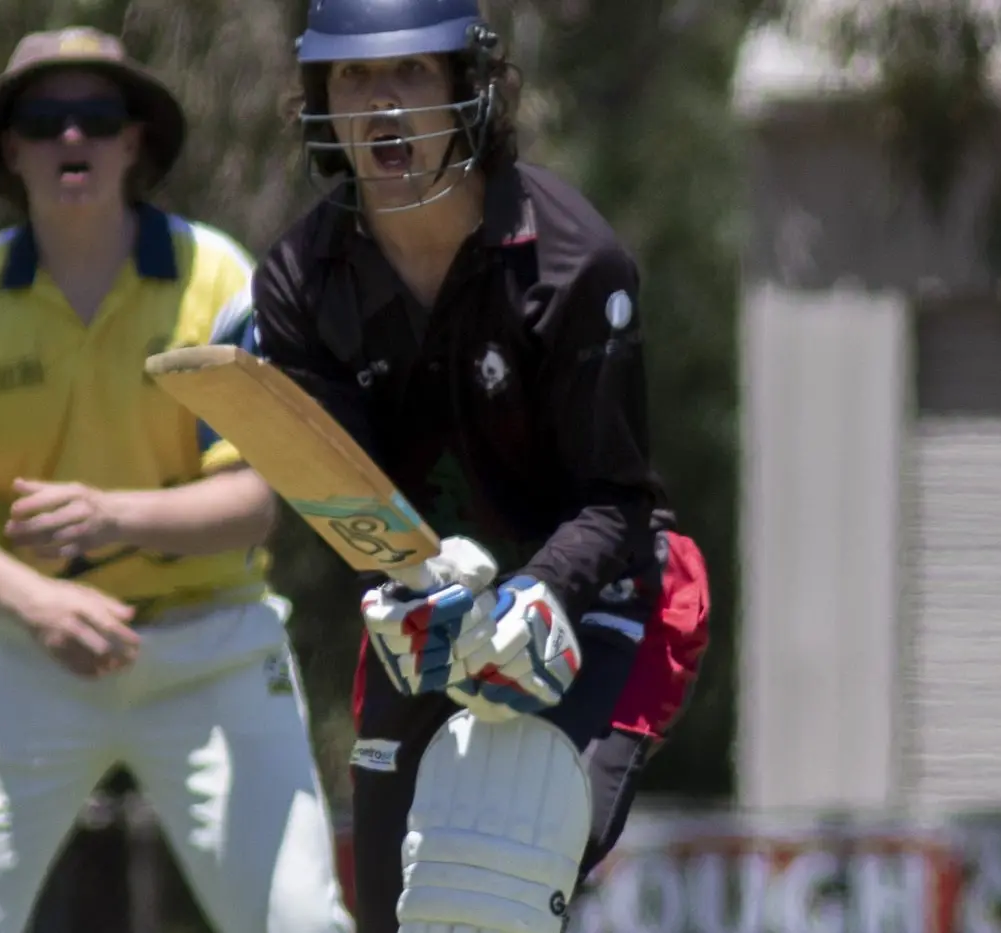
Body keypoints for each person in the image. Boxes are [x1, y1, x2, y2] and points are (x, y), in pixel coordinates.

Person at [0, 27, 349, 933]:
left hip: (212, 648)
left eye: (96, 116)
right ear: (10, 149)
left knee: (301, 922)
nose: (71, 139)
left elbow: (255, 503)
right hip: (24, 652)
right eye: (44, 121)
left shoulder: (218, 281)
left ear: (135, 140)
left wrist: (111, 516)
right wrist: (36, 602)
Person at [252, 2, 713, 932]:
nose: (382, 106)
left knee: (487, 876)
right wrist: (409, 584)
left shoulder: (574, 262)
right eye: (354, 77)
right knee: (395, 912)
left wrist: (537, 591)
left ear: (469, 87)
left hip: (601, 594)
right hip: (426, 602)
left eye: (412, 73)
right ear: (321, 100)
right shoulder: (301, 278)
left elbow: (615, 500)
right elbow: (352, 494)